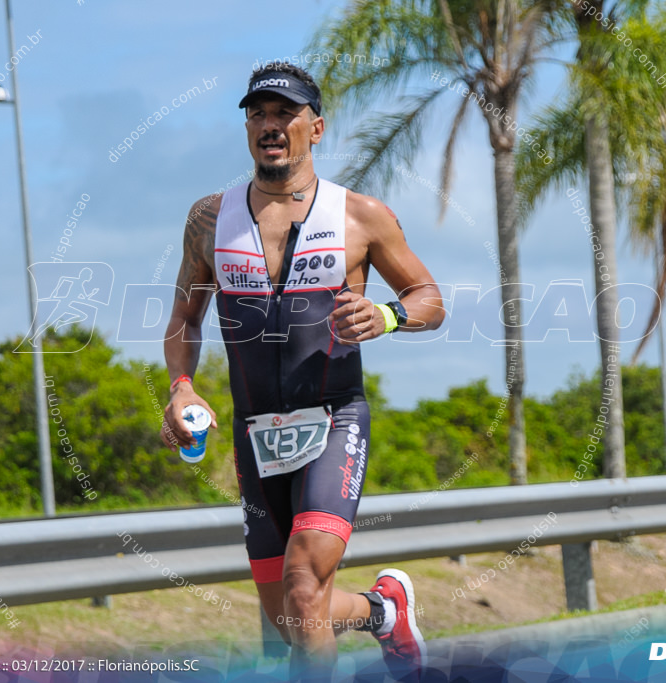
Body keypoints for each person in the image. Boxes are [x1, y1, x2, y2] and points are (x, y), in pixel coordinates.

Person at [162, 61, 444, 680]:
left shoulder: (360, 215)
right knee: (293, 617)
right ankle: (382, 613)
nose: (270, 125)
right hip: (253, 431)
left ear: (315, 128)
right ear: (246, 129)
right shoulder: (209, 219)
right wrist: (181, 387)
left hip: (335, 420)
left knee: (303, 586)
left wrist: (388, 317)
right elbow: (185, 320)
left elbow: (431, 298)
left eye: (285, 114)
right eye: (258, 113)